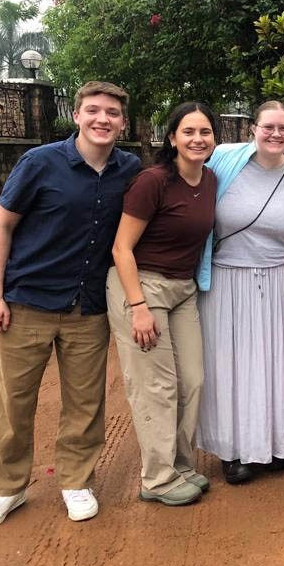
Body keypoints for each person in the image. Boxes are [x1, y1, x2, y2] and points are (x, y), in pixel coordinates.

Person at [0, 82, 140, 531]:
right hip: (28, 301)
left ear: (123, 121)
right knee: (13, 402)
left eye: (112, 113)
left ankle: (76, 481)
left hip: (88, 306)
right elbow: (1, 227)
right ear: (77, 115)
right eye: (93, 111)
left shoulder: (130, 169)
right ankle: (6, 488)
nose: (103, 119)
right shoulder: (40, 163)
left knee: (85, 402)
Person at [107, 102, 217, 507]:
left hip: (182, 288)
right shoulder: (152, 181)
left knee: (193, 380)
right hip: (141, 287)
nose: (197, 139)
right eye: (188, 132)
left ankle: (181, 465)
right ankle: (156, 477)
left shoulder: (210, 179)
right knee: (156, 386)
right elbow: (121, 248)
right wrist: (137, 306)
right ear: (172, 138)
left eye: (205, 132)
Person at [195, 101, 284, 485]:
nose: (275, 134)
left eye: (283, 128)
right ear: (252, 128)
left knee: (275, 364)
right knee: (230, 366)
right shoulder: (223, 159)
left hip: (277, 281)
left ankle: (273, 444)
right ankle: (234, 449)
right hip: (225, 279)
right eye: (268, 126)